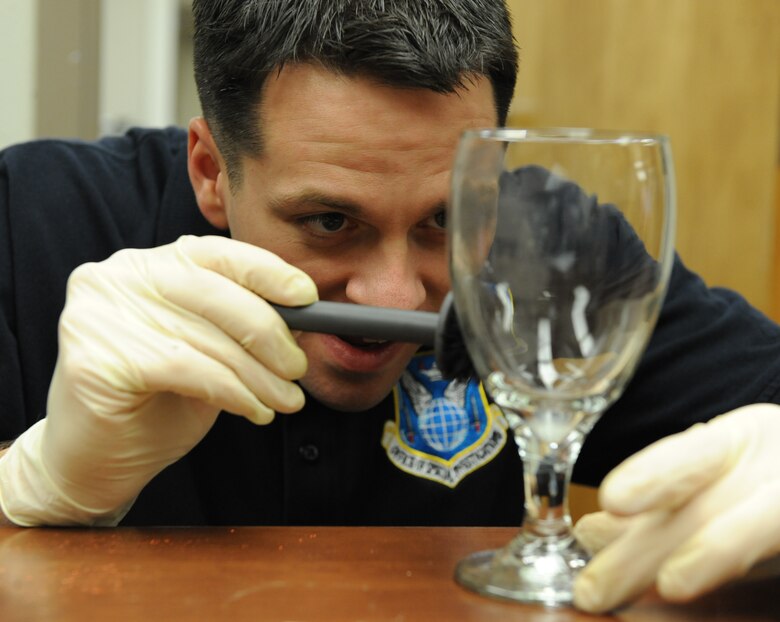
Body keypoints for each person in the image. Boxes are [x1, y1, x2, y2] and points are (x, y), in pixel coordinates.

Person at [0, 0, 778, 613]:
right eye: (329, 222)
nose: (395, 296)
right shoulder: (29, 218)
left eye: (447, 218)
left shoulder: (560, 250)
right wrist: (38, 484)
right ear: (210, 170)